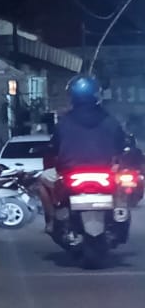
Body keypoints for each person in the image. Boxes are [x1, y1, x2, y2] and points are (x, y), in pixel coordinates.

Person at [36, 75, 130, 232]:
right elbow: (121, 145)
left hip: (70, 173)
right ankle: (120, 213)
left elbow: (54, 146)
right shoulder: (110, 120)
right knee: (121, 184)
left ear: (72, 96)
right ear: (96, 94)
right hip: (104, 172)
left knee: (41, 181)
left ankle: (51, 220)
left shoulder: (64, 122)